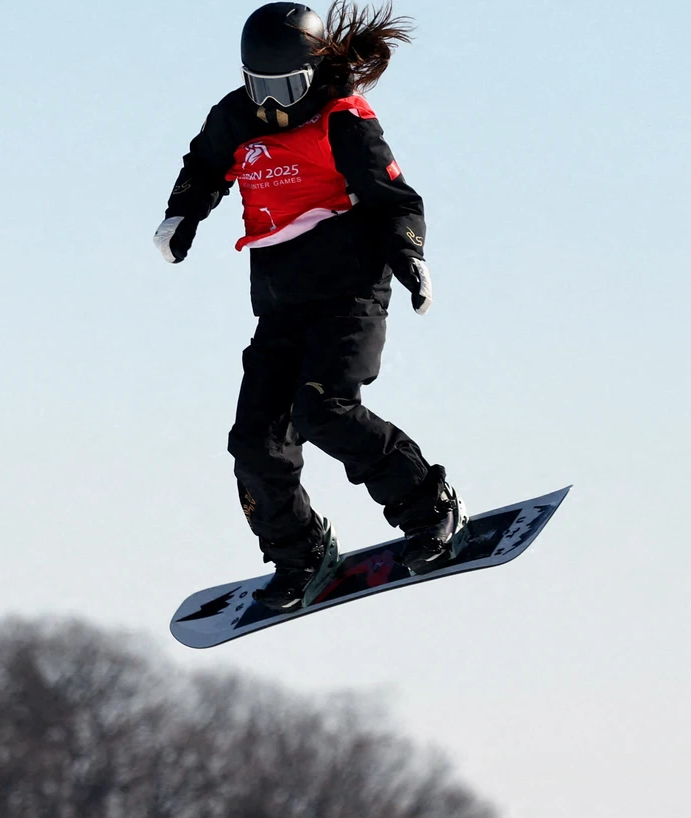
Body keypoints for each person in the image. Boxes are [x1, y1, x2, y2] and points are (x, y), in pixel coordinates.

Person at [155, 1, 464, 612]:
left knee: (323, 409)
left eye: (288, 87)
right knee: (255, 442)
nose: (272, 103)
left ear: (312, 73)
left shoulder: (341, 119)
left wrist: (412, 259)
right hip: (280, 306)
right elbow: (205, 166)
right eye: (259, 87)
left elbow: (393, 197)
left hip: (349, 295)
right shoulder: (235, 116)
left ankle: (431, 512)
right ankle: (301, 553)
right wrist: (181, 214)